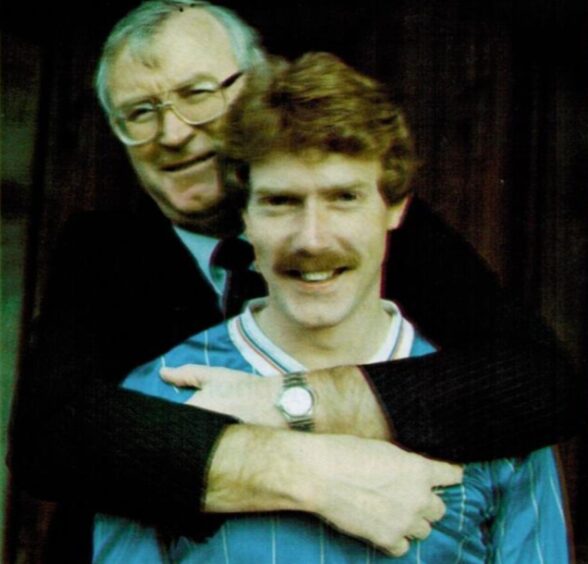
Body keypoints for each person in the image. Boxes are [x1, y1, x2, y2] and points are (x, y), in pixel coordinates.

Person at [7, 1, 578, 562]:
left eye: (198, 95)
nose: (174, 133)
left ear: (259, 86)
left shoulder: (372, 222)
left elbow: (540, 380)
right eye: (141, 112)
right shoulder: (103, 248)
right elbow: (49, 436)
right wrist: (314, 473)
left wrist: (286, 403)